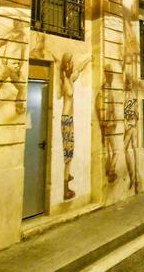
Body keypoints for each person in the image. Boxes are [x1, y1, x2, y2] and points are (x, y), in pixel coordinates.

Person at [59, 52, 90, 200]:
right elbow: (69, 92)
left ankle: (68, 174)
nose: (72, 65)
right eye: (69, 63)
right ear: (65, 66)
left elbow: (80, 69)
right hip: (66, 120)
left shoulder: (69, 77)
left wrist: (88, 59)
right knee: (68, 153)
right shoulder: (65, 81)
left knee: (70, 149)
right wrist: (67, 77)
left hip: (68, 118)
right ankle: (66, 188)